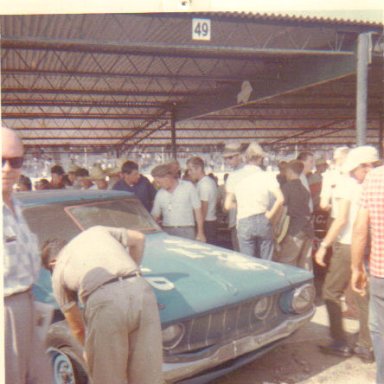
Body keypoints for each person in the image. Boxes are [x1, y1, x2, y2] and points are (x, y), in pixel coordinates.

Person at [41, 225, 163, 384]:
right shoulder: (96, 232)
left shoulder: (58, 272)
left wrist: (88, 349)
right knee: (148, 375)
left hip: (105, 303)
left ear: (52, 263)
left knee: (107, 377)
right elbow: (139, 239)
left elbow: (76, 326)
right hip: (141, 291)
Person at [315, 146, 379, 361]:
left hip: (348, 243)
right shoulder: (370, 183)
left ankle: (339, 342)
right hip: (367, 244)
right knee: (362, 295)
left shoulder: (345, 184)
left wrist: (324, 245)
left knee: (330, 292)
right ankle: (366, 344)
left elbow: (341, 219)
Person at [2, 126, 52, 384]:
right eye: (0, 160)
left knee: (41, 377)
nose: (7, 169)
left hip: (28, 303)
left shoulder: (17, 205)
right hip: (5, 311)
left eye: (15, 161)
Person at [351, 163, 384, 383]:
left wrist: (356, 267)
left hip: (381, 270)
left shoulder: (374, 178)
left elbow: (361, 228)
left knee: (380, 329)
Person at [224, 141, 284, 260]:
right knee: (266, 261)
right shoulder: (267, 176)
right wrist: (270, 215)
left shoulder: (234, 176)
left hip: (244, 220)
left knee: (248, 261)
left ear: (245, 158)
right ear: (261, 159)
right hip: (263, 218)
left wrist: (240, 204)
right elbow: (280, 199)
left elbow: (227, 205)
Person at [151, 162, 206, 242]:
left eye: (159, 182)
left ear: (167, 177)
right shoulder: (159, 194)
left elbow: (198, 211)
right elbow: (155, 215)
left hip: (187, 231)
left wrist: (200, 232)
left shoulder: (188, 187)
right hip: (167, 231)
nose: (158, 185)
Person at [274, 160, 314, 270]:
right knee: (305, 265)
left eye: (286, 172)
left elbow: (281, 210)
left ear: (290, 172)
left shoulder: (287, 188)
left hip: (295, 230)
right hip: (308, 230)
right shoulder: (305, 190)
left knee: (287, 263)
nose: (285, 175)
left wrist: (274, 227)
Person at [187, 156, 218, 245]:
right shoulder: (205, 182)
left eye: (190, 170)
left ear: (199, 169)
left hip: (206, 224)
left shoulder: (204, 185)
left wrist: (200, 230)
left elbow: (203, 208)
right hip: (208, 223)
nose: (189, 173)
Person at [222, 142, 245, 251]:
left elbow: (227, 205)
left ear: (239, 156)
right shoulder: (249, 171)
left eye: (230, 158)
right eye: (225, 158)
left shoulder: (235, 176)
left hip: (239, 221)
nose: (227, 161)